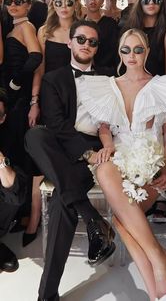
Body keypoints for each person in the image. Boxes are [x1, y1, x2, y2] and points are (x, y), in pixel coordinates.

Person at [78, 28, 166, 301]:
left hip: (150, 163)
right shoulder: (108, 85)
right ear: (119, 53)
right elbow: (104, 126)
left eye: (138, 49)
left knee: (124, 220)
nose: (132, 55)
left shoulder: (162, 85)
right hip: (119, 161)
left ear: (147, 51)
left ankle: (156, 288)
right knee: (103, 168)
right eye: (126, 50)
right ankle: (160, 263)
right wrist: (108, 144)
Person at [25, 19, 116, 301]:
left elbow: (114, 122)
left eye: (93, 42)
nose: (86, 45)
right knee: (35, 136)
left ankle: (46, 295)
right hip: (61, 147)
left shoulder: (109, 77)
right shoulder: (54, 78)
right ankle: (93, 218)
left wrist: (99, 151)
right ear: (70, 42)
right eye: (81, 39)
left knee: (65, 202)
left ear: (97, 47)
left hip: (95, 149)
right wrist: (84, 153)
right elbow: (56, 124)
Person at [2, 0, 42, 245]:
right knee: (16, 154)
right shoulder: (14, 27)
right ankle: (19, 213)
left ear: (29, 5)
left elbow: (36, 57)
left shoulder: (26, 27)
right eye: (9, 1)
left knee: (21, 156)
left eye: (19, 1)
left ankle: (27, 215)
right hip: (14, 100)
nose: (13, 5)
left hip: (20, 100)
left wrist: (16, 84)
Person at [0, 88, 27, 273]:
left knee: (13, 188)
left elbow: (16, 196)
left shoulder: (8, 140)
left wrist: (0, 160)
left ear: (2, 118)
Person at [123, 0, 166, 76]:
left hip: (161, 84)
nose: (151, 2)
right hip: (133, 84)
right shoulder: (128, 30)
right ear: (139, 0)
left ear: (162, 2)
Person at [84, 0, 119, 71]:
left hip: (105, 75)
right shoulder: (78, 25)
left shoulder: (111, 25)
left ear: (103, 0)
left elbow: (115, 55)